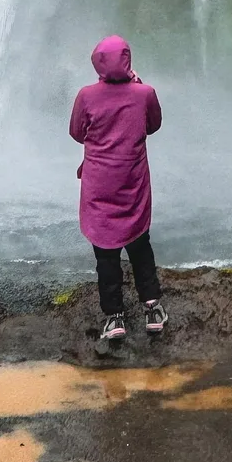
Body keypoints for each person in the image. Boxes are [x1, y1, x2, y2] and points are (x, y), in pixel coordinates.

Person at [69, 35, 167, 343]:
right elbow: (153, 125)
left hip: (99, 185)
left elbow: (76, 132)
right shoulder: (145, 93)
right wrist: (137, 83)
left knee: (106, 254)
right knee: (140, 245)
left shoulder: (86, 96)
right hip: (132, 182)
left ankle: (114, 319)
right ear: (127, 60)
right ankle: (152, 310)